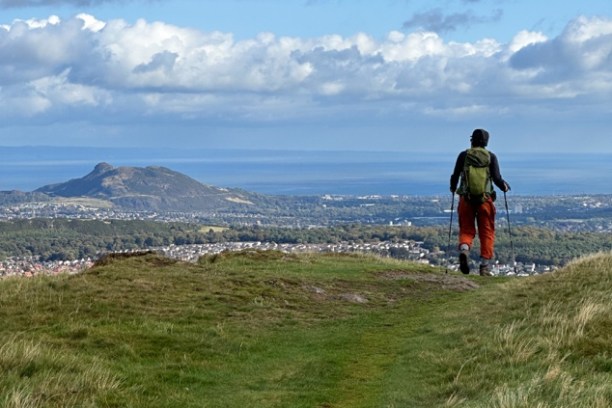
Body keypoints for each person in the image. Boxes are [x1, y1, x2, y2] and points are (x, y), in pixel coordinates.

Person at [450, 129, 510, 276]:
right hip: (485, 201)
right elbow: (496, 179)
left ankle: (464, 250)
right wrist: (504, 186)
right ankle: (484, 267)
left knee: (466, 229)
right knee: (487, 232)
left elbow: (455, 175)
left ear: (472, 140)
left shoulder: (464, 156)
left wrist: (453, 188)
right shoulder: (491, 157)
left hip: (466, 199)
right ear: (486, 142)